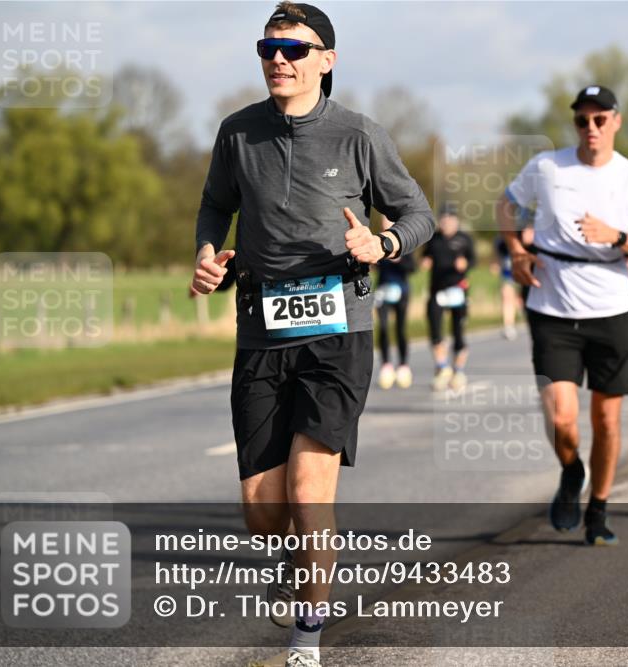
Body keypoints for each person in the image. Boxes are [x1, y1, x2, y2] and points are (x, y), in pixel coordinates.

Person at [191, 4, 434, 666]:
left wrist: (380, 242)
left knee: (307, 491)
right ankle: (297, 560)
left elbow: (419, 214)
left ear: (326, 60)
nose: (278, 58)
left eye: (294, 49)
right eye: (268, 46)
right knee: (263, 510)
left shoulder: (360, 134)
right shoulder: (237, 133)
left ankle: (307, 637)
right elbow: (217, 204)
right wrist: (210, 252)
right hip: (261, 331)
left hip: (338, 329)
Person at [498, 85, 628, 545]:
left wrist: (616, 237)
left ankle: (599, 510)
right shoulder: (546, 167)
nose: (590, 128)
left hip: (612, 309)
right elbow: (506, 204)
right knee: (562, 417)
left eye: (599, 119)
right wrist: (516, 250)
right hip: (552, 307)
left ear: (615, 121)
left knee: (607, 421)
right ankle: (572, 471)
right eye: (581, 120)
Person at [422, 208, 475, 391]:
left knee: (458, 332)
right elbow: (426, 256)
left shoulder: (464, 239)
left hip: (458, 291)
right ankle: (442, 368)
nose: (446, 224)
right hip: (437, 291)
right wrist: (426, 262)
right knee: (435, 331)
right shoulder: (434, 239)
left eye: (450, 220)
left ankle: (458, 371)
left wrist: (465, 264)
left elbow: (473, 260)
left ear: (456, 221)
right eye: (443, 220)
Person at [374, 216, 416, 389]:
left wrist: (399, 259)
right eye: (384, 220)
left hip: (402, 291)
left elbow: (412, 267)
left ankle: (403, 365)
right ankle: (386, 365)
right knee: (383, 327)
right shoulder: (377, 240)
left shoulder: (404, 240)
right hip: (383, 290)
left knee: (400, 327)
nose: (386, 223)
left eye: (389, 220)